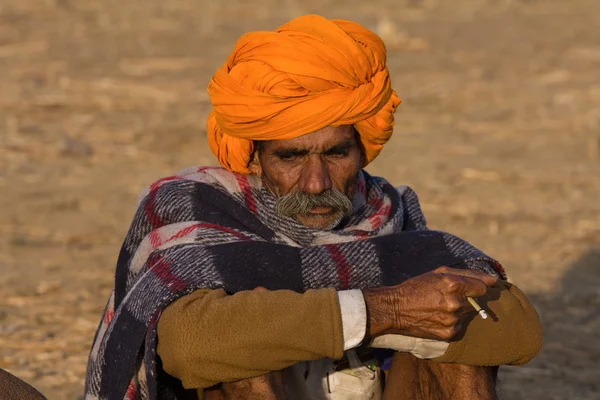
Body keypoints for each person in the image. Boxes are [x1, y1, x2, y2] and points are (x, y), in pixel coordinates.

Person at [84, 15, 542, 400]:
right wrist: (393, 311)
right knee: (240, 355)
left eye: (336, 154)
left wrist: (289, 319)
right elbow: (193, 342)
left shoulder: (387, 213)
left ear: (362, 151)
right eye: (290, 157)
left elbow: (516, 331)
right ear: (255, 157)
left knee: (463, 357)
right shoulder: (197, 205)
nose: (317, 182)